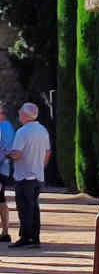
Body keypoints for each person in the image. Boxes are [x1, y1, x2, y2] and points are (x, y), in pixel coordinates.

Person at [7, 101, 51, 248]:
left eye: (20, 112)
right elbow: (47, 152)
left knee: (24, 208)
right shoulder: (42, 130)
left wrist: (8, 153)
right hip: (38, 176)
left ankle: (26, 237)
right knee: (34, 207)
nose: (19, 114)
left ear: (26, 115)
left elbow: (17, 154)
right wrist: (40, 167)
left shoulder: (22, 132)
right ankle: (35, 237)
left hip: (24, 175)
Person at [0, 102, 13, 243]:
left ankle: (5, 232)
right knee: (1, 200)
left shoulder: (3, 127)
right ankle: (4, 232)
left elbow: (4, 151)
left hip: (1, 168)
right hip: (3, 169)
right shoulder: (7, 127)